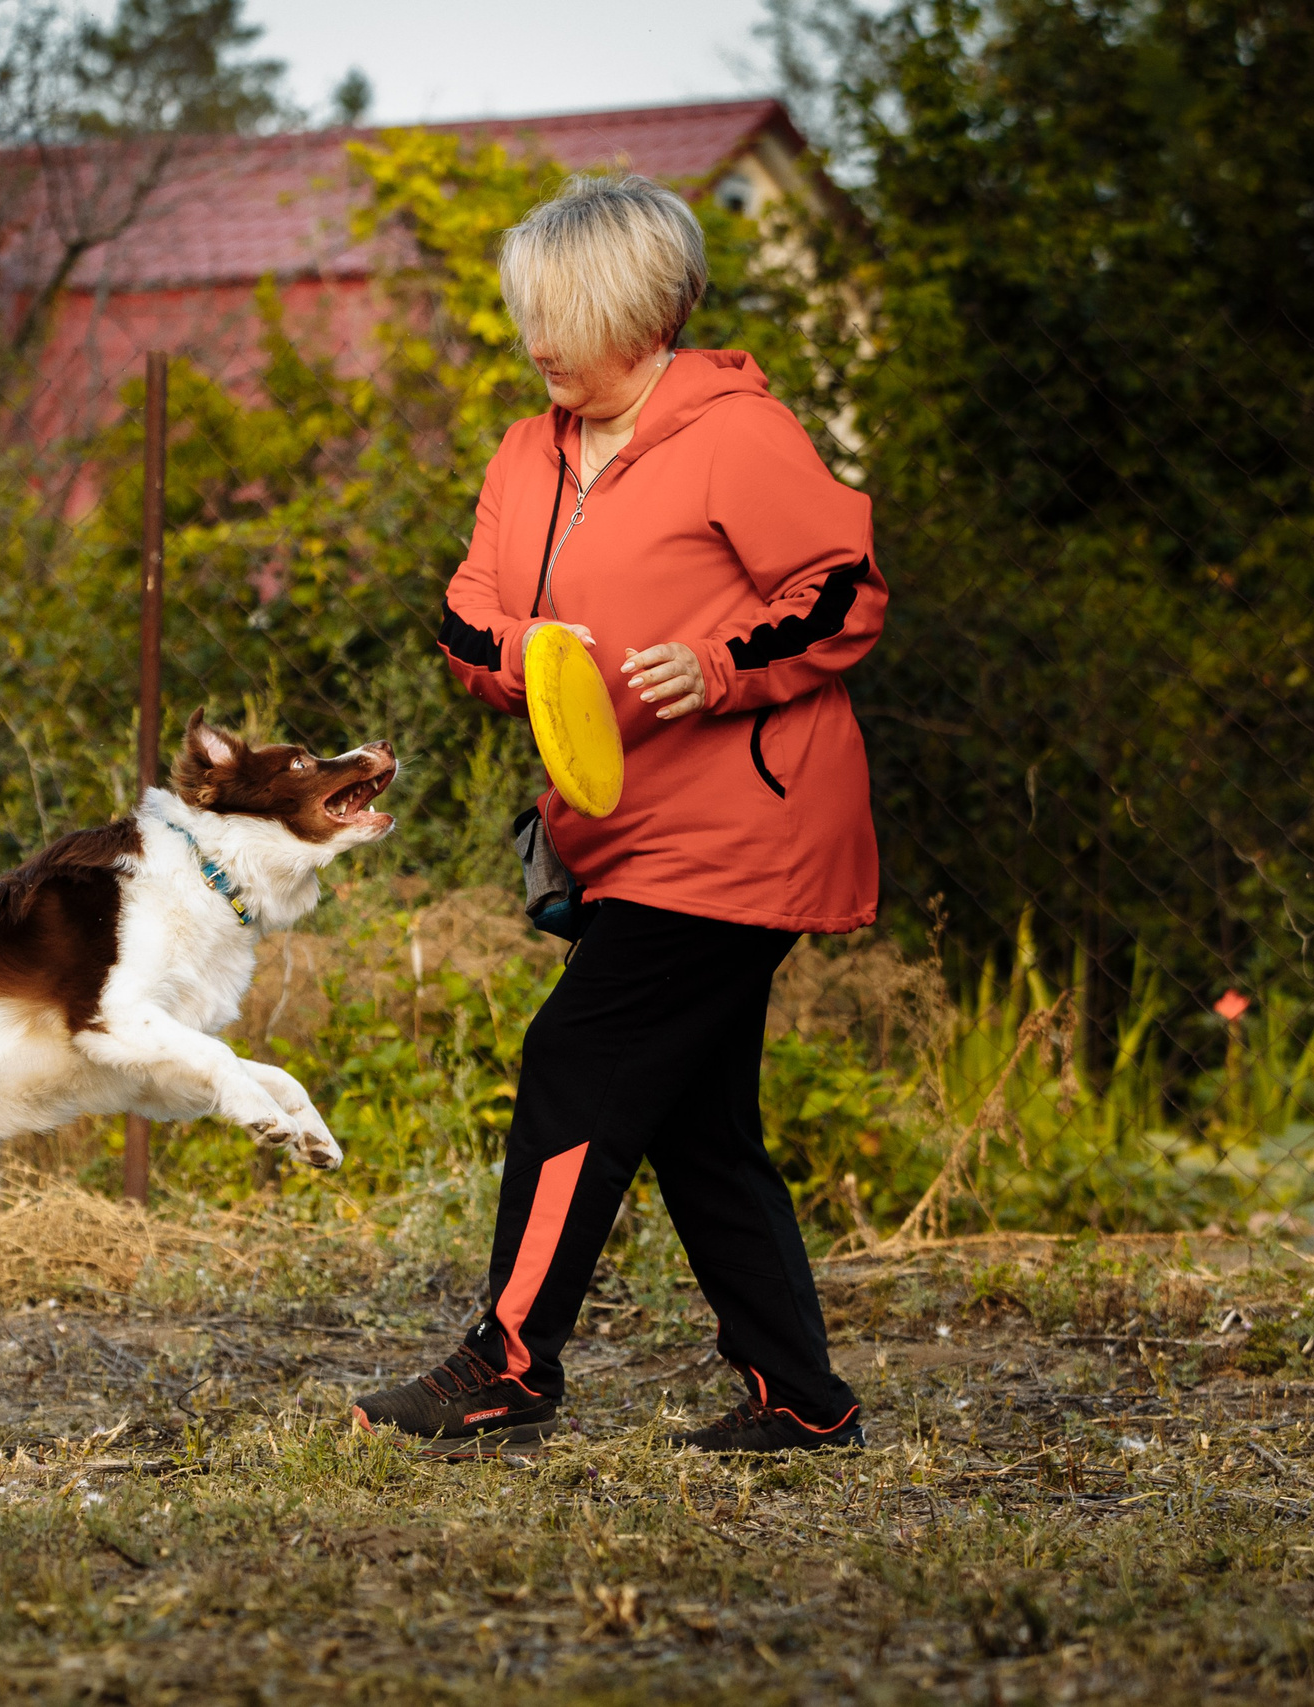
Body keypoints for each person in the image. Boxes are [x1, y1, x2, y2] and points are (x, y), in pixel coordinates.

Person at [350, 173, 886, 1455]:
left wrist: (714, 664)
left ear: (641, 312)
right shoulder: (529, 449)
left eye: (559, 313)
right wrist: (535, 653)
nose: (535, 341)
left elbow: (840, 591)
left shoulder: (737, 435)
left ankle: (509, 1364)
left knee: (579, 1060)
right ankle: (801, 1398)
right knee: (699, 1123)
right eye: (525, 312)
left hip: (746, 824)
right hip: (618, 830)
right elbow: (465, 614)